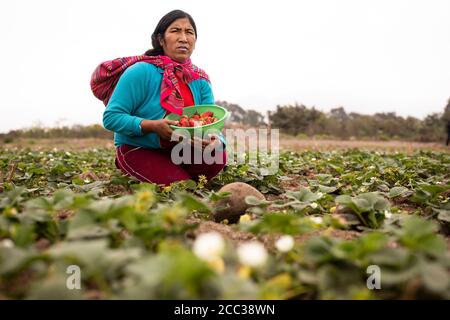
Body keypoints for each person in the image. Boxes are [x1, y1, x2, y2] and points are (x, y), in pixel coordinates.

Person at [91, 10, 227, 186]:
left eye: (189, 32)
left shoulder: (200, 79)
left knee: (217, 156)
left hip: (181, 150)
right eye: (175, 30)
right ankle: (138, 167)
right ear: (161, 39)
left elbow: (211, 123)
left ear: (195, 41)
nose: (183, 38)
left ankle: (170, 173)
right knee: (180, 188)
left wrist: (217, 142)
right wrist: (153, 126)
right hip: (140, 148)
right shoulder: (140, 71)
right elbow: (111, 117)